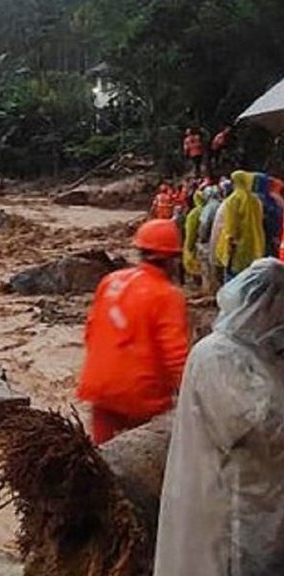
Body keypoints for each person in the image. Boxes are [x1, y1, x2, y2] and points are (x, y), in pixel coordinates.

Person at [155, 259, 284, 576]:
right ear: (259, 304)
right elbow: (254, 425)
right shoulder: (217, 355)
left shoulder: (263, 352)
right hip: (227, 499)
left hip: (260, 497)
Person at [77, 219, 190, 445]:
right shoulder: (167, 295)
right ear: (172, 260)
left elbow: (90, 331)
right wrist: (192, 395)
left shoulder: (111, 281)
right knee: (140, 460)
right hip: (139, 394)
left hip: (99, 384)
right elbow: (176, 356)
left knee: (100, 454)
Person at [216, 170, 266, 281]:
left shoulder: (232, 200)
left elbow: (231, 227)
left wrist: (228, 247)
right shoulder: (256, 200)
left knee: (233, 281)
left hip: (238, 248)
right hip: (256, 244)